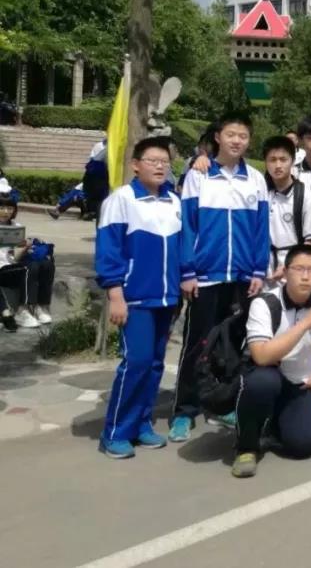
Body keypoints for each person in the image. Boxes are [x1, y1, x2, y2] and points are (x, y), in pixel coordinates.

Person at [172, 113, 270, 442]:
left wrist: (258, 270)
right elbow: (188, 226)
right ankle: (184, 410)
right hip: (205, 276)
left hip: (242, 277)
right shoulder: (198, 175)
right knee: (197, 343)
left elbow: (261, 229)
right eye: (231, 134)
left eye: (243, 136)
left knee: (232, 345)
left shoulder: (255, 179)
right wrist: (188, 271)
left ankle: (222, 403)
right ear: (218, 137)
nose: (237, 141)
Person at [232, 244, 311, 478]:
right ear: (285, 271)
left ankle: (275, 423)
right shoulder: (264, 303)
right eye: (299, 269)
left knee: (305, 444)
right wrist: (305, 324)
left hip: (302, 381)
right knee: (262, 382)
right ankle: (247, 447)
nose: (305, 276)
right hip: (267, 374)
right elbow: (261, 356)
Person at [95, 138, 182, 458]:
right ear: (135, 165)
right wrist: (115, 294)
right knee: (137, 362)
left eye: (165, 162)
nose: (160, 166)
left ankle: (141, 423)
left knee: (155, 364)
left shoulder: (174, 200)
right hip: (135, 298)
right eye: (152, 160)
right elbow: (109, 250)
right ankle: (116, 431)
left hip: (166, 298)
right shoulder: (121, 200)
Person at [263, 136, 311, 281]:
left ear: (293, 161)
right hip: (262, 270)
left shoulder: (306, 197)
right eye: (272, 160)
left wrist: (286, 267)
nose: (278, 165)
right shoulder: (261, 193)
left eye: (283, 160)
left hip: (292, 271)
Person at [0, 180, 53, 330]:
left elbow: (14, 259)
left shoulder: (15, 227)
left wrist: (26, 247)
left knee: (46, 264)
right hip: (1, 270)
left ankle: (41, 307)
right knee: (28, 269)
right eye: (2, 208)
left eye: (9, 208)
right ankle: (22, 310)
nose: (6, 211)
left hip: (11, 265)